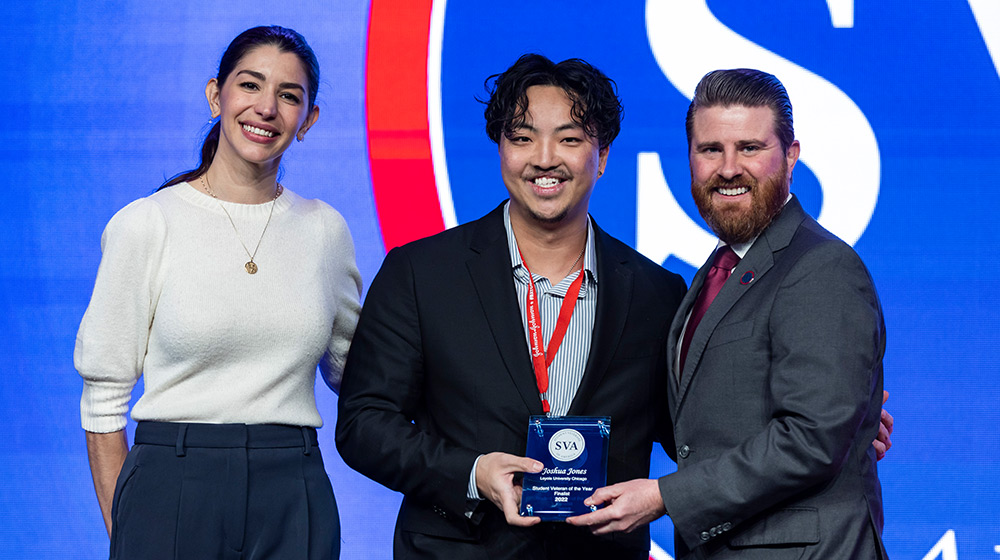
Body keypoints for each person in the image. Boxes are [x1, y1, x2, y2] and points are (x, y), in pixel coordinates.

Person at [335, 54, 687, 559]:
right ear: (500, 148)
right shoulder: (421, 272)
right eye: (522, 138)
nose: (544, 158)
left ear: (603, 155)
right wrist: (472, 473)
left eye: (569, 139)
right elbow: (364, 422)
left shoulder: (658, 293)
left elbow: (693, 437)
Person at [566, 69, 889, 558]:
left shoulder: (822, 268)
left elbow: (810, 440)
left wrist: (663, 496)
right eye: (710, 149)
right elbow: (705, 425)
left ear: (792, 155)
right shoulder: (718, 271)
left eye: (750, 148)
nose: (729, 167)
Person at [75, 26, 361, 560]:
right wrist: (132, 533)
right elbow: (103, 402)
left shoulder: (325, 230)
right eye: (250, 85)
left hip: (293, 484)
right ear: (216, 95)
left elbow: (358, 373)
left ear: (308, 120)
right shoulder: (147, 224)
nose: (267, 108)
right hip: (172, 481)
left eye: (289, 95)